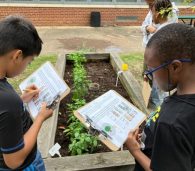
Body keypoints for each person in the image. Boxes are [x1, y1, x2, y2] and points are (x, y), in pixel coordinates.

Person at [126, 23, 195, 171]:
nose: (150, 76)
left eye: (152, 70)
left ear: (175, 67)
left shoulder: (172, 124)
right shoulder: (185, 97)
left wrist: (135, 151)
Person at [0, 15, 53, 170]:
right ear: (17, 56)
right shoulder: (8, 101)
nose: (26, 67)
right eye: (28, 62)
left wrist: (21, 99)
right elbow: (14, 160)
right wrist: (40, 119)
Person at [142, 0, 178, 110]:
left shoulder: (160, 33)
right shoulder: (169, 29)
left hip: (159, 70)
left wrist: (148, 71)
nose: (151, 15)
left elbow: (155, 57)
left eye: (152, 12)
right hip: (164, 71)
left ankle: (157, 115)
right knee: (162, 94)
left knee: (159, 96)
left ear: (157, 14)